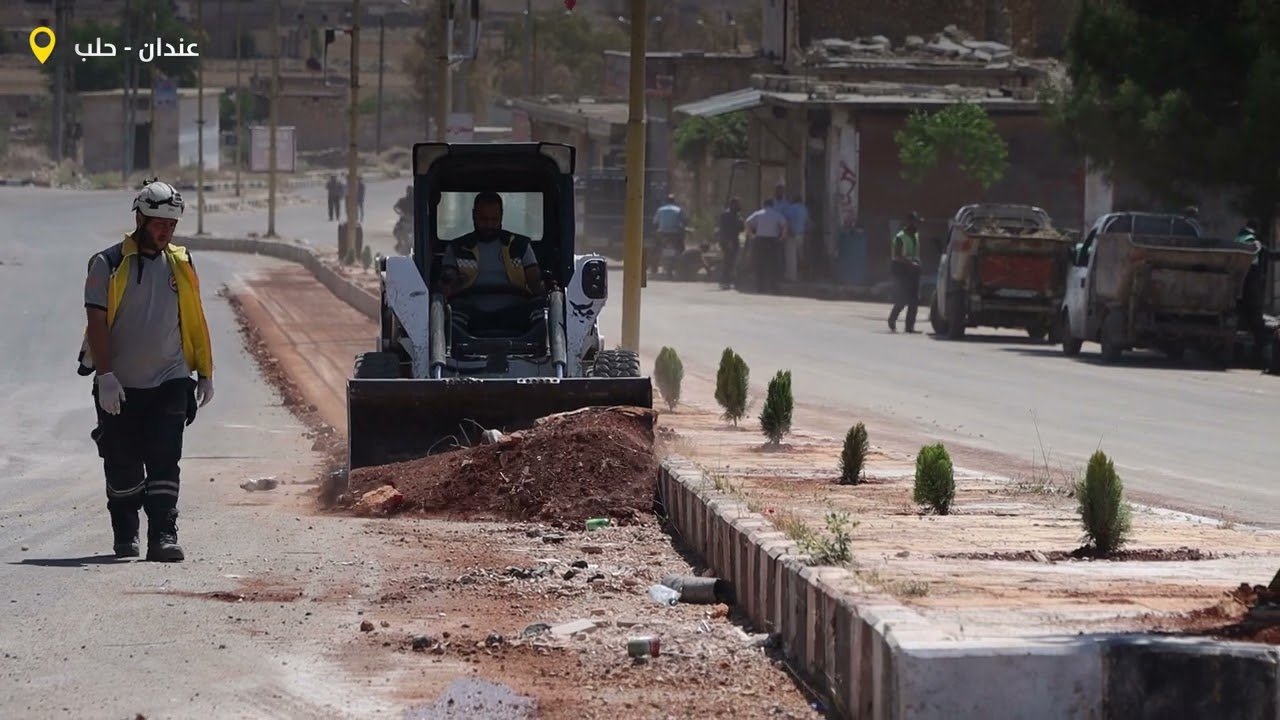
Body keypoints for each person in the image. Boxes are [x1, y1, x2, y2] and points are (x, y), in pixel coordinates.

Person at [78, 179, 215, 562]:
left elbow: (194, 318)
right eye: (159, 224)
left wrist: (204, 371)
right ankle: (125, 532)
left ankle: (163, 536)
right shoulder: (106, 264)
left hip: (170, 379)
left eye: (171, 225)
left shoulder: (181, 263)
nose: (165, 231)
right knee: (122, 466)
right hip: (119, 385)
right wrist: (105, 376)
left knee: (165, 458)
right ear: (139, 218)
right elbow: (96, 322)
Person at [438, 192, 548, 331]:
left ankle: (546, 344)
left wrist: (545, 288)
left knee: (540, 310)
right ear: (473, 216)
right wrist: (447, 284)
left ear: (502, 216)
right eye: (483, 219)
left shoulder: (519, 246)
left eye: (494, 219)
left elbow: (535, 284)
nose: (489, 225)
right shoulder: (457, 248)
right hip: (470, 314)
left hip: (516, 312)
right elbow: (447, 283)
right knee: (451, 312)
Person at [744, 198, 789, 294]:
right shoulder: (777, 214)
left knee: (760, 263)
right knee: (773, 263)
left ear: (763, 205)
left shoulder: (758, 213)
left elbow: (747, 222)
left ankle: (760, 287)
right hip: (773, 240)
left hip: (760, 240)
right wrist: (782, 237)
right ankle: (773, 287)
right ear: (772, 205)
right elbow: (785, 225)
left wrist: (751, 235)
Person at [888, 212, 923, 333]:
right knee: (902, 299)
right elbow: (897, 255)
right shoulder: (900, 237)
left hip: (913, 270)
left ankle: (910, 327)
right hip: (901, 270)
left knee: (914, 300)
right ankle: (892, 319)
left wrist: (917, 263)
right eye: (916, 222)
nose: (917, 225)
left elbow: (915, 252)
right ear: (909, 222)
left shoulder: (916, 235)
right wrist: (910, 263)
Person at [651, 194, 687, 278]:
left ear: (666, 201)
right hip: (675, 234)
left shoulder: (660, 210)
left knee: (655, 249)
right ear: (674, 201)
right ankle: (681, 266)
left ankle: (654, 267)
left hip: (662, 234)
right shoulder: (678, 210)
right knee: (681, 248)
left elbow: (655, 222)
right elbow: (684, 221)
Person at [717, 197, 744, 289]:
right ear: (733, 205)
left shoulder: (735, 215)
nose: (739, 206)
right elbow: (726, 229)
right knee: (728, 261)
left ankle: (727, 280)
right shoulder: (727, 215)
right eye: (738, 204)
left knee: (731, 261)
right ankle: (724, 281)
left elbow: (740, 228)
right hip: (729, 240)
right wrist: (729, 241)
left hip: (732, 239)